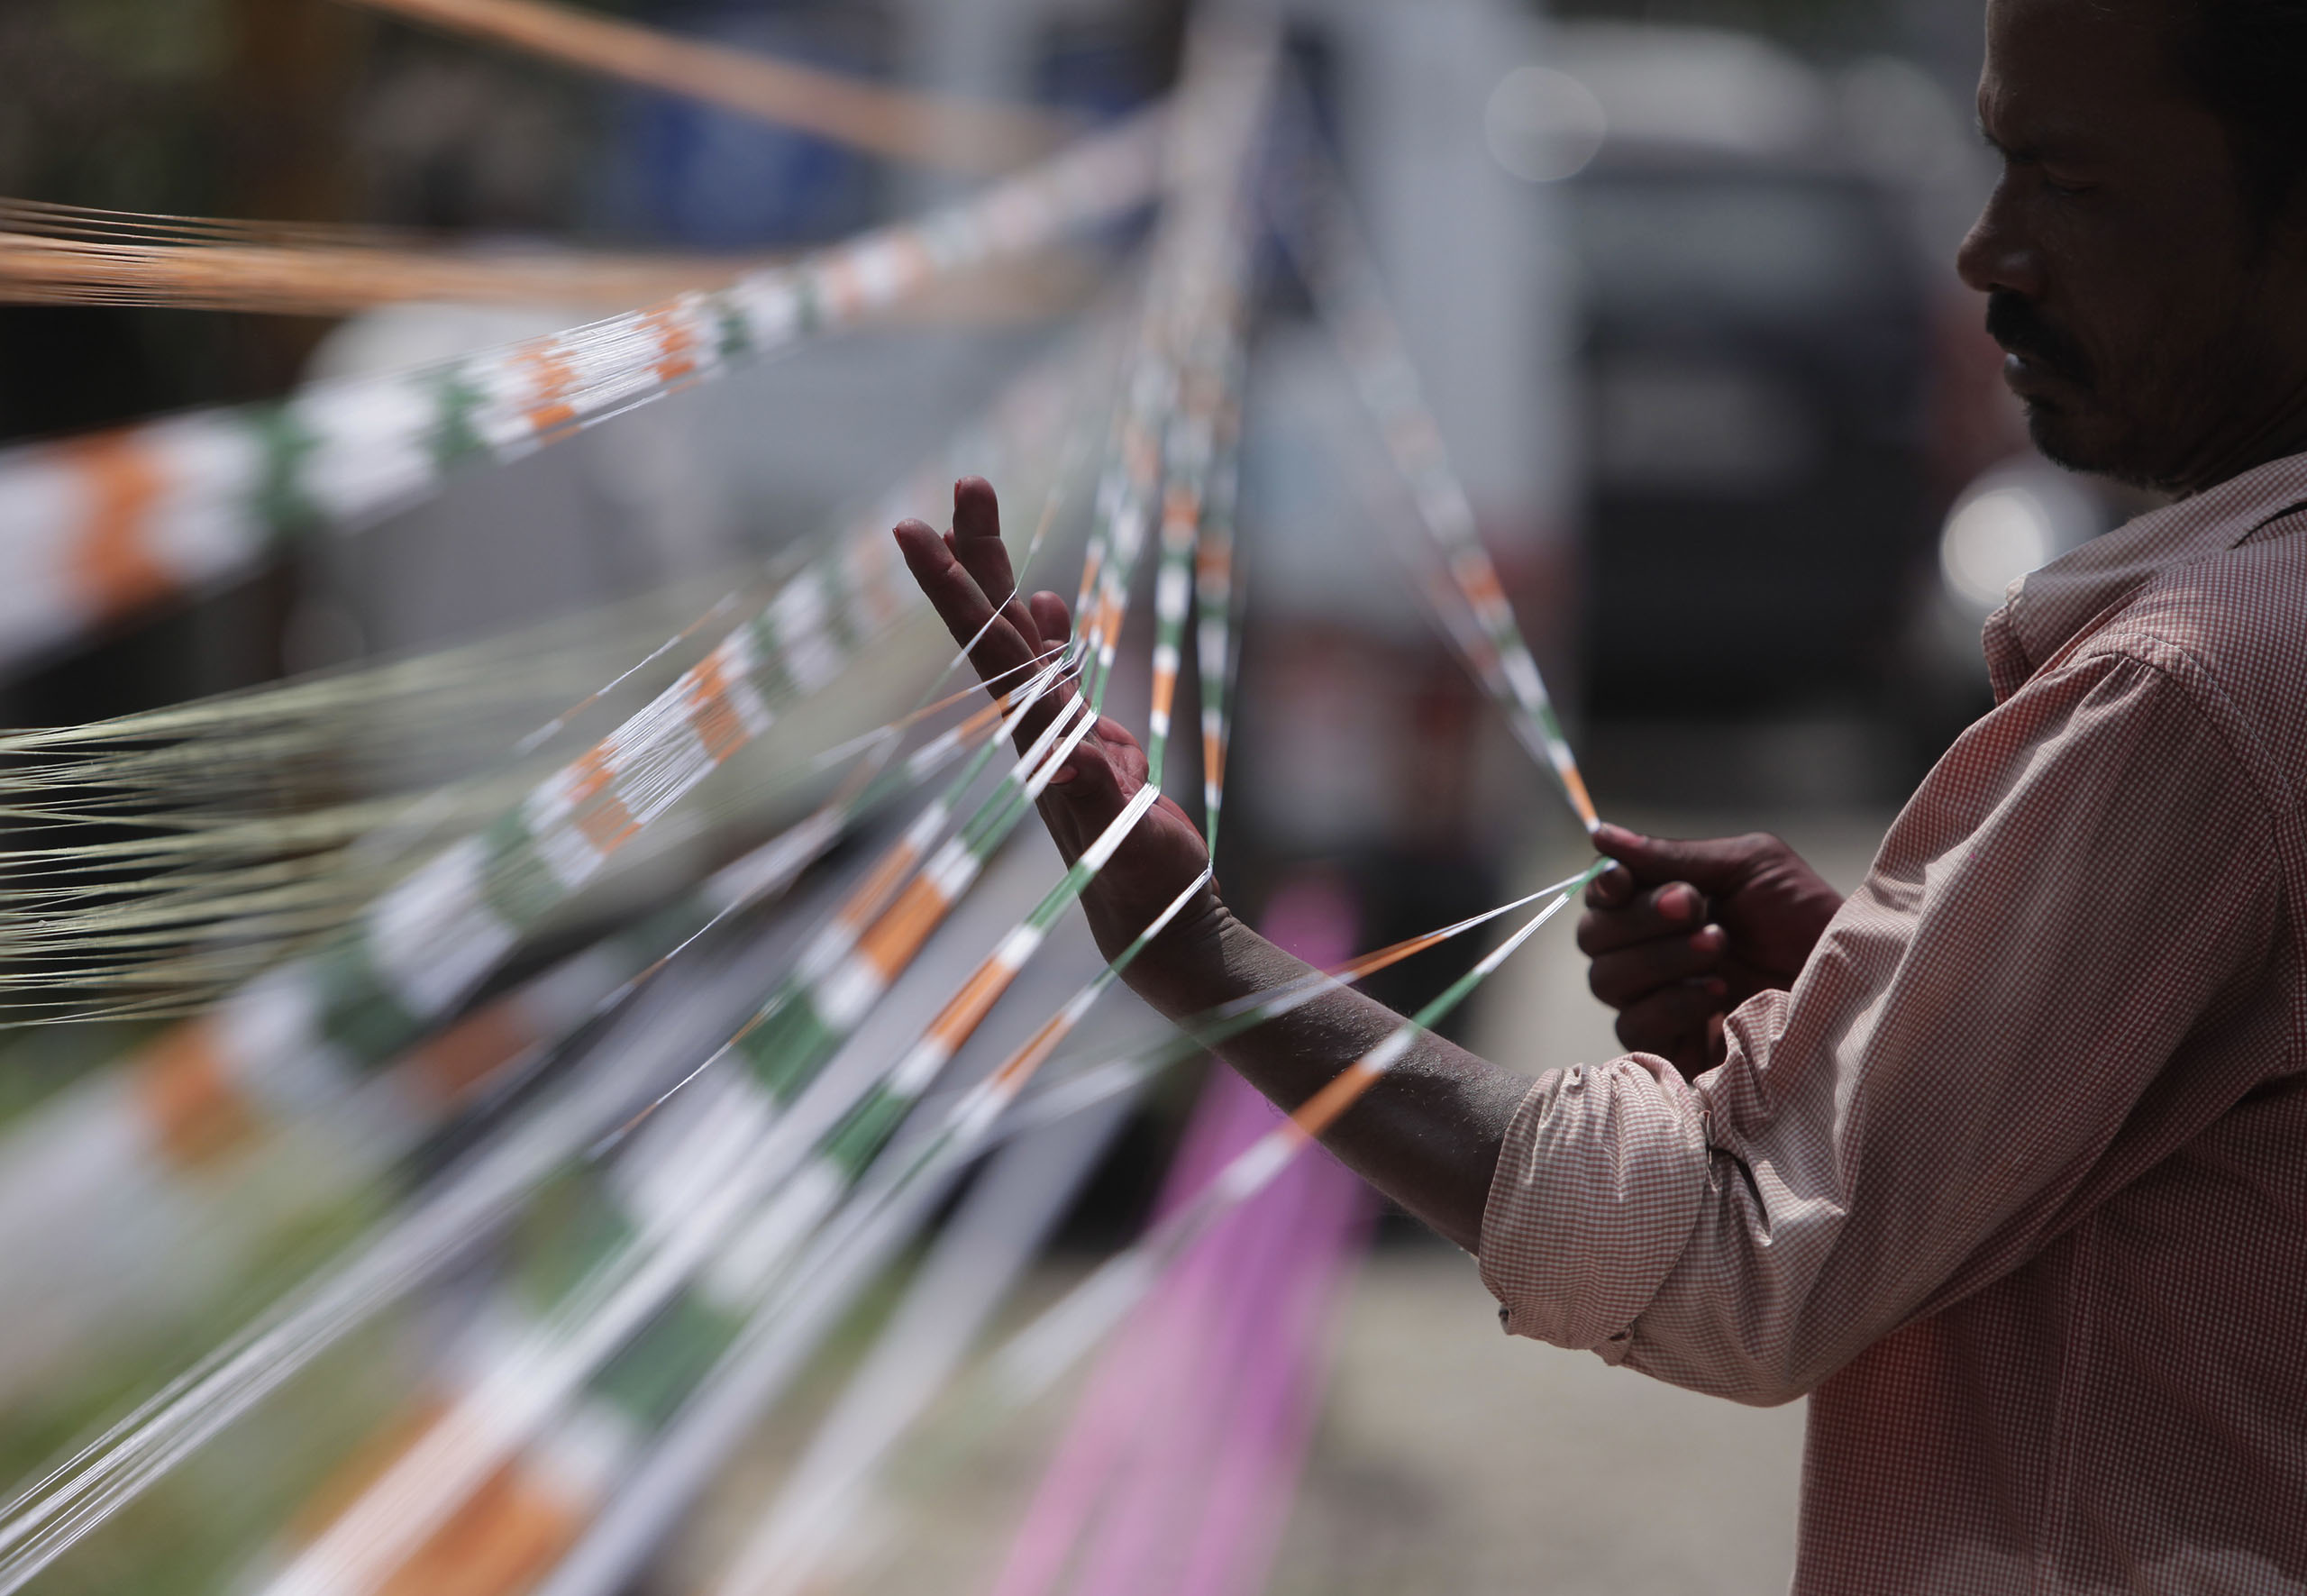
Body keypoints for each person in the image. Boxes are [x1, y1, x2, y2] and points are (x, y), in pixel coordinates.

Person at [891, 0, 2307, 1586]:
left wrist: (1201, 963)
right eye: (1998, 167)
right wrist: (1905, 1015)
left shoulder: (2199, 684)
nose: (1987, 255)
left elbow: (1737, 1251)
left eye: (2069, 181)